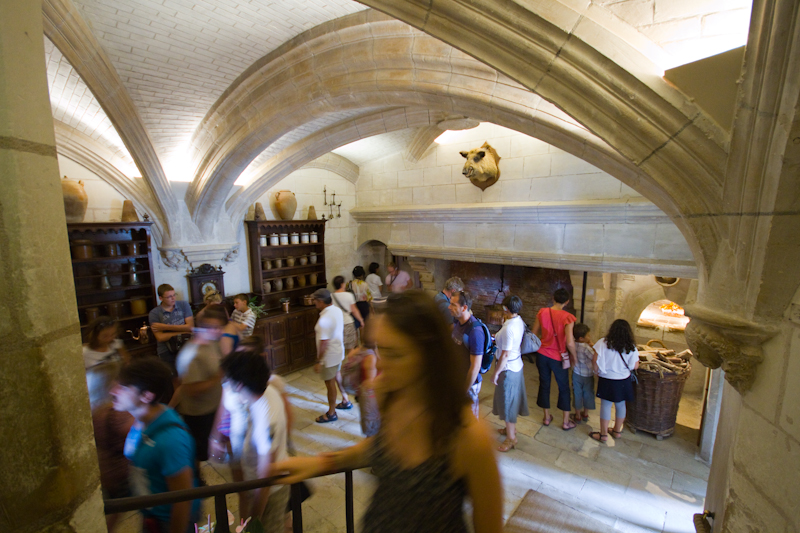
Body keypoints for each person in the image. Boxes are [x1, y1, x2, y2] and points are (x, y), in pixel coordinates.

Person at [271, 291, 503, 533]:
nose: (380, 364)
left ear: (429, 356)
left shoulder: (469, 436)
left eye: (395, 354)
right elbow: (382, 445)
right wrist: (320, 464)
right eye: (382, 350)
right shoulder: (392, 397)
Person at [112, 358, 199, 533]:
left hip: (168, 522)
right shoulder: (141, 421)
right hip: (151, 515)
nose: (113, 391)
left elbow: (182, 500)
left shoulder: (170, 440)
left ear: (146, 396)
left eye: (123, 388)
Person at [220, 349, 289, 533]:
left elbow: (265, 479)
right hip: (260, 486)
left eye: (230, 380)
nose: (227, 384)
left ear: (240, 385)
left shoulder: (265, 423)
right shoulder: (268, 391)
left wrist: (254, 519)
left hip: (271, 495)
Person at [170, 304, 224, 470]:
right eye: (211, 327)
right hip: (198, 413)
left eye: (218, 327)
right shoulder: (192, 353)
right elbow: (190, 389)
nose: (216, 331)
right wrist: (217, 378)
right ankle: (195, 481)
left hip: (213, 407)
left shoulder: (212, 343)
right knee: (196, 452)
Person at [86, 361, 133, 532]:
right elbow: (139, 435)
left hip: (104, 471)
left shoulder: (92, 410)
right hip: (120, 472)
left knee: (111, 510)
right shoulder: (115, 414)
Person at [532, 288, 577, 431]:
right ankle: (565, 422)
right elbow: (569, 342)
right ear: (567, 301)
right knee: (563, 387)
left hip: (542, 355)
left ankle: (546, 417)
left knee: (544, 384)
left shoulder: (542, 312)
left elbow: (533, 334)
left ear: (553, 298)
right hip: (558, 357)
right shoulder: (568, 317)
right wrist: (574, 357)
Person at [590, 319, 639, 443]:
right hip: (623, 379)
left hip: (606, 378)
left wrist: (596, 372)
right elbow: (635, 366)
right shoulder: (631, 347)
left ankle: (603, 435)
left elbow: (595, 360)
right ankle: (617, 431)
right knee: (621, 405)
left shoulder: (602, 343)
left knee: (606, 406)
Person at [491, 295, 529, 452]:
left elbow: (505, 354)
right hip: (516, 366)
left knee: (508, 403)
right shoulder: (518, 321)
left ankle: (511, 438)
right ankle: (509, 430)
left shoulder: (509, 328)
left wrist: (496, 372)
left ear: (505, 309)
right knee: (510, 401)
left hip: (508, 369)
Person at [312, 288, 351, 422]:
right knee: (337, 375)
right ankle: (345, 400)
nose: (314, 302)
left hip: (329, 356)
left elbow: (324, 342)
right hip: (338, 351)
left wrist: (319, 361)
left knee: (330, 384)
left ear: (321, 301)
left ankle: (331, 413)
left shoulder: (325, 318)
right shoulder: (336, 310)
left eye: (315, 300)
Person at [449, 290, 486, 418]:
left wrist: (464, 390)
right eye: (450, 303)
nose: (449, 307)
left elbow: (475, 367)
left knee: (469, 419)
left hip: (469, 385)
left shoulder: (475, 331)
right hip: (457, 379)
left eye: (453, 305)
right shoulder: (458, 323)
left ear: (464, 307)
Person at [149, 284, 194, 374]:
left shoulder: (183, 305)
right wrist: (183, 330)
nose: (173, 298)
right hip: (166, 349)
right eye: (169, 297)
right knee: (172, 377)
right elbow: (160, 337)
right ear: (161, 298)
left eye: (174, 295)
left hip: (186, 343)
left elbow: (190, 327)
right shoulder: (154, 313)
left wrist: (165, 327)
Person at [198, 290, 239, 356]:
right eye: (215, 305)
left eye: (219, 304)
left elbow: (228, 323)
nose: (217, 307)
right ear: (207, 302)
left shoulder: (222, 309)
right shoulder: (201, 314)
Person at [571, 323, 596, 424]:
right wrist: (593, 345)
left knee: (577, 393)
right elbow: (594, 357)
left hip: (576, 373)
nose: (589, 337)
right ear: (581, 338)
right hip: (588, 375)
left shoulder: (572, 344)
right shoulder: (586, 348)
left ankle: (577, 415)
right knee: (588, 393)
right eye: (588, 335)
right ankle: (585, 414)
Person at [332, 275, 364, 351]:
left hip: (336, 324)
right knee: (351, 348)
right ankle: (350, 362)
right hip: (348, 323)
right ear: (342, 284)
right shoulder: (348, 295)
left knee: (338, 348)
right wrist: (361, 320)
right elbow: (354, 310)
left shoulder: (331, 296)